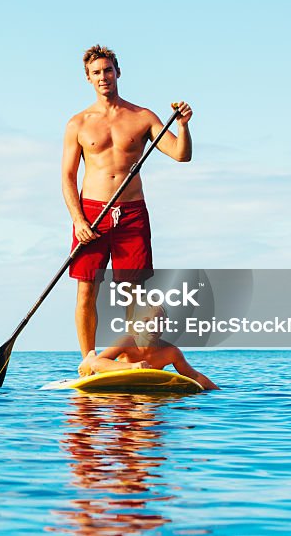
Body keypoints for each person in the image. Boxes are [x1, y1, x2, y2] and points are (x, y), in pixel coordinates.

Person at [62, 45, 193, 375]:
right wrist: (78, 220)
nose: (103, 77)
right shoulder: (78, 123)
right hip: (92, 213)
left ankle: (131, 360)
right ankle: (89, 361)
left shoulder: (143, 117)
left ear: (118, 73)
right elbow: (66, 176)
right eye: (96, 73)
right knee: (87, 289)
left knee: (132, 294)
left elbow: (180, 154)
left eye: (108, 70)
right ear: (88, 79)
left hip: (132, 213)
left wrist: (184, 125)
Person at [79, 306, 219, 390]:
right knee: (92, 364)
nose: (153, 325)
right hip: (118, 378)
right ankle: (89, 356)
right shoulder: (127, 341)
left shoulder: (171, 352)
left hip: (140, 387)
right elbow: (98, 364)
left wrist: (218, 392)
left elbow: (193, 375)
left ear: (165, 326)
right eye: (146, 321)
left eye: (159, 322)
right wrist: (133, 367)